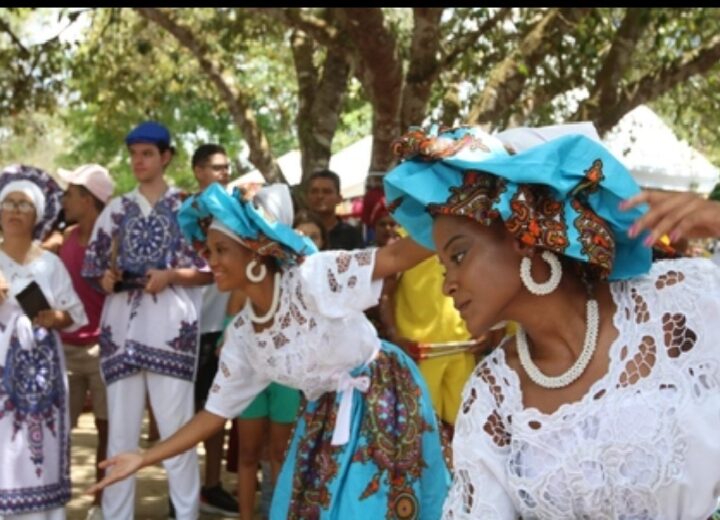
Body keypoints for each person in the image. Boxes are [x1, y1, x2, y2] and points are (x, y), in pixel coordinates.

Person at [384, 124, 720, 518]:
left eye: (458, 257)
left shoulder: (678, 303)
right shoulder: (494, 395)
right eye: (443, 267)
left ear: (523, 233)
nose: (448, 286)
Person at [87, 181, 451, 519]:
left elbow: (394, 258)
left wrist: (457, 219)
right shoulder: (245, 337)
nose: (210, 260)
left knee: (371, 508)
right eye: (208, 250)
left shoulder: (313, 279)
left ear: (256, 253)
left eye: (221, 250)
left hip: (381, 395)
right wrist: (144, 457)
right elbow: (213, 415)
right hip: (323, 415)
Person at [81, 121, 212, 520]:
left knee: (177, 437)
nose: (139, 161)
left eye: (147, 154)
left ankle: (185, 514)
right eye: (134, 154)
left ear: (165, 157)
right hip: (122, 332)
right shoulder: (117, 210)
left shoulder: (189, 208)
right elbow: (92, 269)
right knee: (120, 437)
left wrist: (172, 276)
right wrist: (104, 278)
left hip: (171, 331)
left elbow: (212, 269)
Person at [0, 167, 88, 519]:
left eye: (24, 204)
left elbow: (75, 314)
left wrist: (54, 317)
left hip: (42, 373)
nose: (15, 210)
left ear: (37, 216)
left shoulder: (51, 264)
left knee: (41, 445)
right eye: (9, 202)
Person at [57, 164, 115, 520]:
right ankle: (54, 498)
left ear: (88, 199)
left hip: (104, 350)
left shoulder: (113, 243)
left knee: (107, 429)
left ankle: (101, 503)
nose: (64, 200)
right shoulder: (64, 239)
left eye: (69, 193)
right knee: (60, 430)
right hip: (64, 350)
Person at [189, 143, 239, 517]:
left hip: (222, 330)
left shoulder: (237, 213)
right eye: (216, 168)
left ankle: (211, 485)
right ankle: (184, 491)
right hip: (184, 330)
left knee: (216, 410)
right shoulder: (184, 215)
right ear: (197, 171)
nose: (223, 174)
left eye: (227, 168)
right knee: (186, 416)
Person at [306, 169, 364, 250]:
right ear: (307, 197)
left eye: (327, 192)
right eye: (314, 191)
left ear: (339, 198)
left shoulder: (351, 235)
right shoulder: (297, 232)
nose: (320, 196)